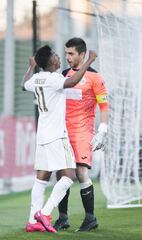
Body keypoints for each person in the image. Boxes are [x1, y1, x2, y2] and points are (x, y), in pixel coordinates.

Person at [22, 45, 97, 233]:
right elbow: (71, 82)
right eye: (56, 55)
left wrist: (31, 68)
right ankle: (45, 213)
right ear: (52, 61)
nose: (59, 57)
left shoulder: (37, 78)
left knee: (41, 178)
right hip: (57, 136)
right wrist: (89, 61)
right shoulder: (54, 79)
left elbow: (23, 85)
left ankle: (32, 220)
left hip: (42, 137)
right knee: (69, 175)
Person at [54, 37, 109, 232]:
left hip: (83, 131)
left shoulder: (95, 77)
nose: (67, 57)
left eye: (71, 54)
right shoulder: (63, 75)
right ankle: (62, 218)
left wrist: (102, 130)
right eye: (66, 53)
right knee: (62, 173)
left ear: (82, 55)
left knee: (80, 172)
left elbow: (104, 104)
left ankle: (90, 218)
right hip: (63, 131)